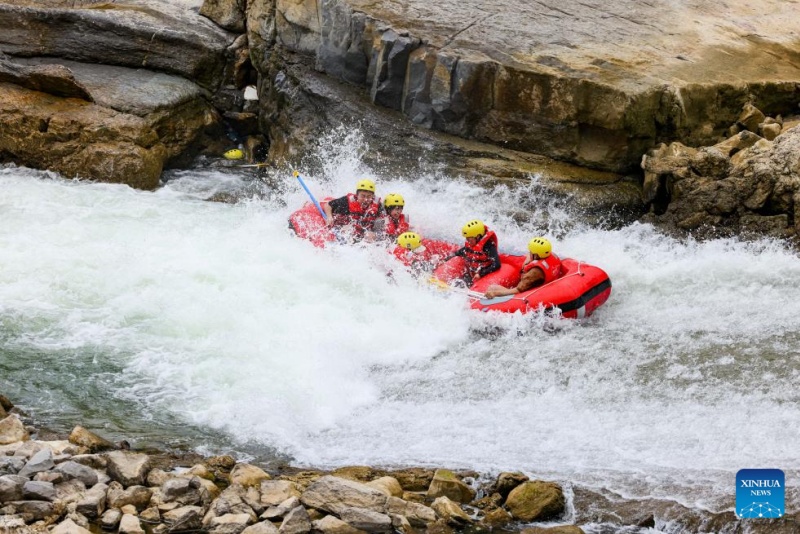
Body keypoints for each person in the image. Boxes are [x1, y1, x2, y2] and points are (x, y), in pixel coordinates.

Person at [484, 237, 563, 298]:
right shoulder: (549, 255)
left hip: (529, 294)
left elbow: (518, 290)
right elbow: (530, 257)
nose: (529, 253)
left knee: (492, 288)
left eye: (531, 252)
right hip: (545, 285)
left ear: (536, 255)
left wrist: (495, 293)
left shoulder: (534, 272)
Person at [448, 219, 501, 285]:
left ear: (478, 236)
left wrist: (481, 273)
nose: (467, 240)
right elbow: (462, 251)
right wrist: (448, 257)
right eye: (466, 238)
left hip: (484, 274)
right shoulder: (472, 243)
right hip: (472, 272)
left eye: (469, 238)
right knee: (457, 283)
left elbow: (496, 264)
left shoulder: (488, 246)